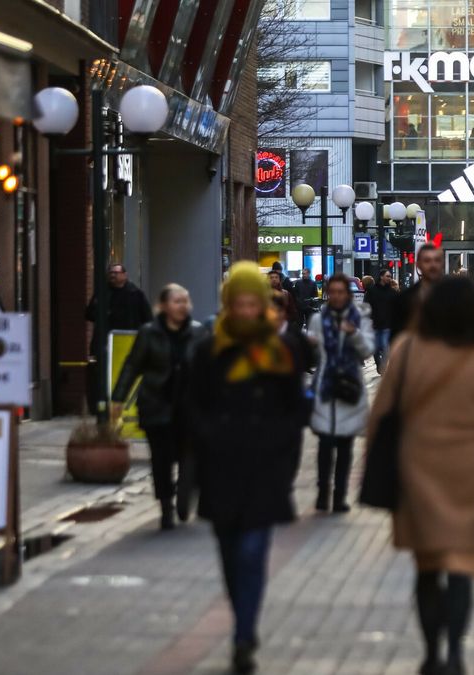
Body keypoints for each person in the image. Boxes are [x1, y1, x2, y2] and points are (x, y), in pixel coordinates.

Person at [367, 276, 474, 675]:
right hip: (468, 474)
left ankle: (431, 653)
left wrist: (372, 465)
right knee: (461, 563)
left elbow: (380, 414)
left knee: (427, 565)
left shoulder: (407, 350)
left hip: (415, 469)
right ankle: (455, 651)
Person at [187, 262, 309, 673]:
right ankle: (242, 616)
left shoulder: (281, 350)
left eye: (250, 303)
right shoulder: (209, 350)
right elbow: (193, 405)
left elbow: (295, 410)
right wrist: (207, 439)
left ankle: (243, 634)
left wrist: (282, 455)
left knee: (253, 553)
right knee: (228, 554)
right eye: (236, 303)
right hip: (221, 468)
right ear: (227, 304)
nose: (244, 310)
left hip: (264, 469)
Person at [111, 284, 205, 530]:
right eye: (177, 301)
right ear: (163, 306)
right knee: (161, 460)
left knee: (189, 455)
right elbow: (132, 366)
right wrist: (118, 398)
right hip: (156, 404)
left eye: (185, 301)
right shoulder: (149, 333)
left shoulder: (198, 333)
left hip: (188, 406)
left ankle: (184, 493)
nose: (183, 306)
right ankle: (165, 506)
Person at [308, 274, 374, 513]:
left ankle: (339, 496)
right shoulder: (318, 320)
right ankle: (322, 491)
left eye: (340, 292)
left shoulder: (360, 318)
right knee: (325, 444)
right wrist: (310, 346)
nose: (336, 296)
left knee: (345, 446)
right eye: (332, 292)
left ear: (347, 294)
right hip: (325, 386)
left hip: (349, 386)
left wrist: (354, 333)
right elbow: (314, 354)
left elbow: (367, 350)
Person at [86, 263, 154, 408]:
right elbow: (89, 314)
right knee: (101, 373)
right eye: (110, 273)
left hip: (128, 342)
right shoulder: (102, 293)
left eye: (116, 273)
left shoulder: (135, 294)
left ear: (125, 275)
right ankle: (102, 404)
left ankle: (125, 404)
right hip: (104, 342)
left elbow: (148, 318)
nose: (112, 275)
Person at [392, 243, 444, 337]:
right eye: (427, 261)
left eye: (437, 260)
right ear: (418, 265)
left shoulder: (454, 294)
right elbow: (397, 334)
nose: (433, 265)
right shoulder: (405, 298)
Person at [365, 269, 398, 373]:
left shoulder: (392, 292)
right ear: (381, 277)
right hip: (374, 323)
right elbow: (366, 306)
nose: (389, 278)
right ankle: (379, 364)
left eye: (390, 276)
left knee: (384, 347)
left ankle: (382, 367)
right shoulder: (372, 291)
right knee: (375, 347)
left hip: (387, 324)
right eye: (387, 276)